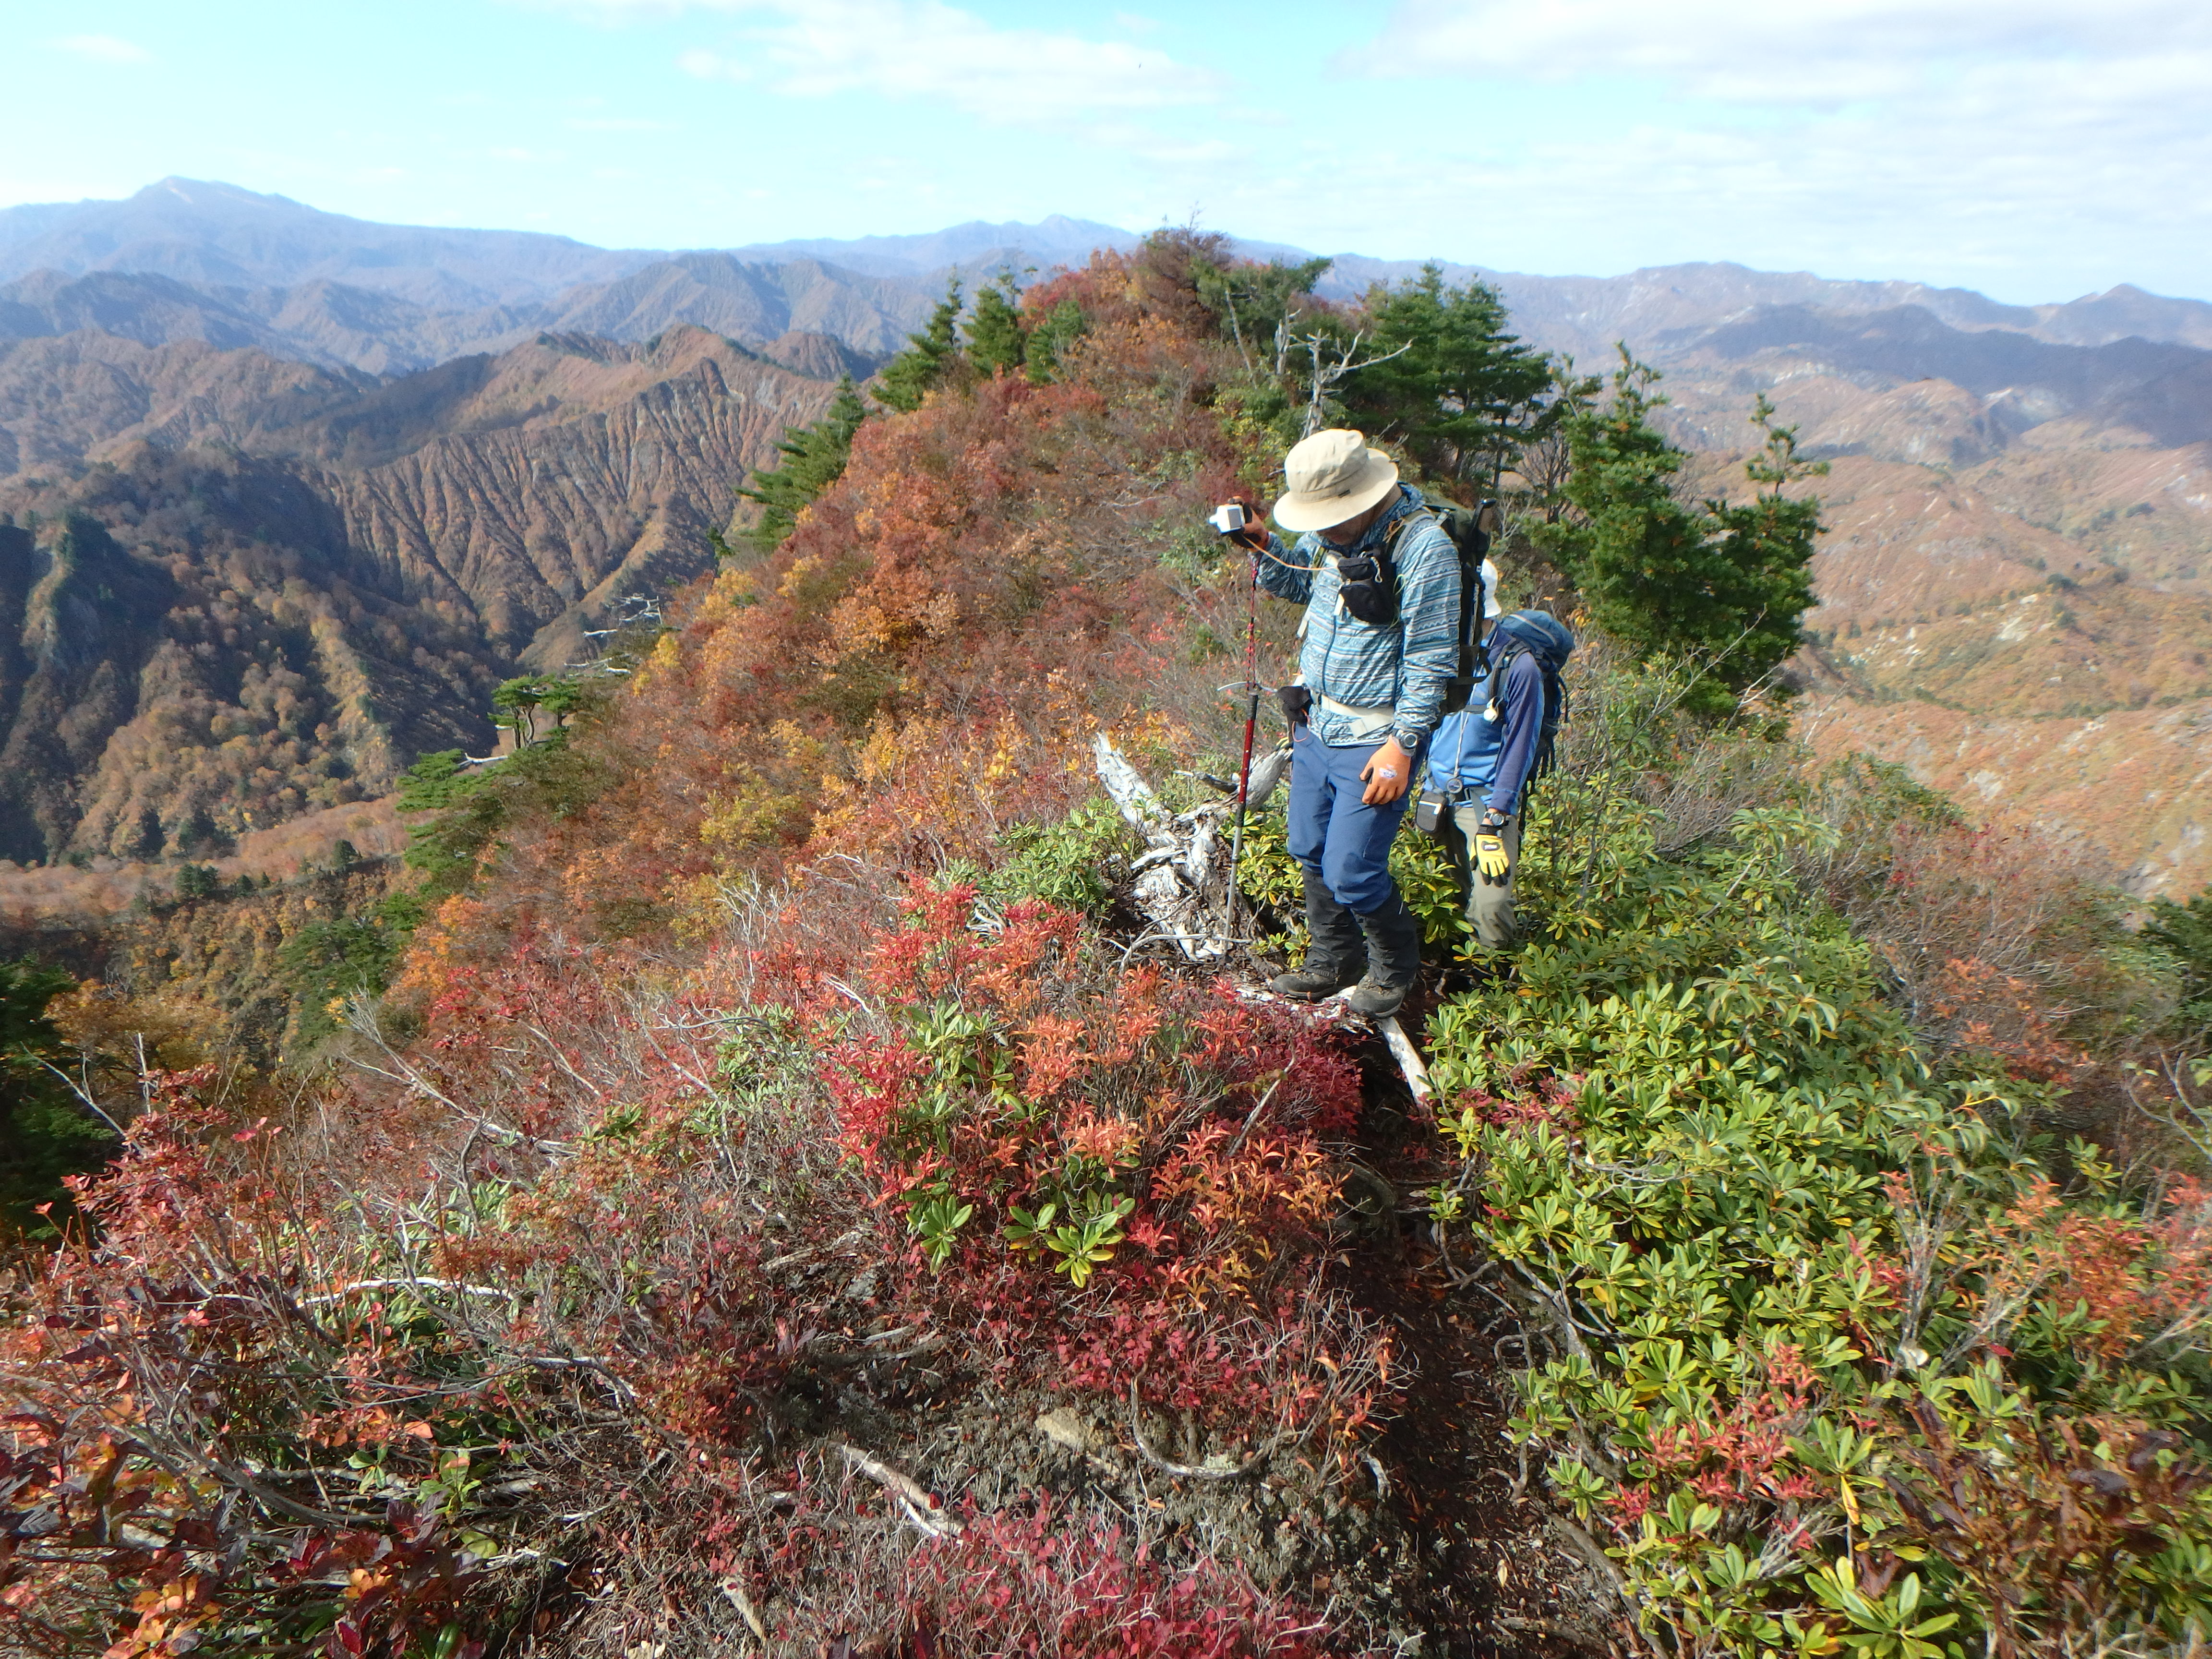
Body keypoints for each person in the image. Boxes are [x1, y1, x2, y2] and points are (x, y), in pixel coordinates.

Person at [1225, 429, 1460, 1018]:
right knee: (1308, 846)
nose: (1323, 530)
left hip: (1375, 739)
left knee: (1352, 869)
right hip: (1317, 723)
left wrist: (1404, 746)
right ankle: (1334, 960)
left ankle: (1394, 968)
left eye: (1330, 518)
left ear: (1362, 498)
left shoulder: (1424, 550)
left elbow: (1432, 660)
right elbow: (1299, 582)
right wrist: (1263, 545)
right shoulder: (1335, 535)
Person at [1428, 574, 1548, 969]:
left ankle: (1488, 986)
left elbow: (1521, 746)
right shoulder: (1440, 651)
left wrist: (1495, 818)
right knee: (1444, 898)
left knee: (1491, 906)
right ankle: (1446, 979)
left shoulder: (1520, 667)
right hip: (1436, 796)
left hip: (1485, 804)